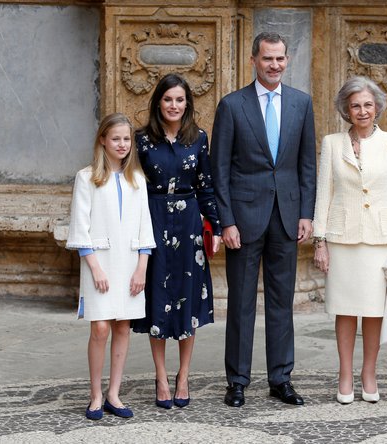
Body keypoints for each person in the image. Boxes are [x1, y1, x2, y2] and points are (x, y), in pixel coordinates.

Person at [210, 32, 316, 407]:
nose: (274, 65)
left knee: (281, 301)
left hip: (287, 216)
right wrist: (226, 221)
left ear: (287, 61)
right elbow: (218, 170)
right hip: (243, 217)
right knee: (240, 301)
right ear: (254, 59)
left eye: (280, 59)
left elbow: (307, 164)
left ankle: (280, 379)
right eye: (268, 59)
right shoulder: (232, 105)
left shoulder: (302, 104)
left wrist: (306, 213)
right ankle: (237, 381)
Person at [312, 76, 387, 404]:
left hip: (381, 239)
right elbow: (324, 193)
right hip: (343, 238)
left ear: (378, 107)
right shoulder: (332, 143)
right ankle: (344, 375)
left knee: (374, 311)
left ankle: (369, 373)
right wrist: (320, 241)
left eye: (368, 104)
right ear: (346, 109)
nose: (362, 110)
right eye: (356, 105)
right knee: (344, 309)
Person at [131, 73, 222, 409]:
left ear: (188, 104)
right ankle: (160, 376)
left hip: (188, 225)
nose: (174, 105)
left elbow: (205, 184)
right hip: (152, 220)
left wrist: (217, 223)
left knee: (187, 300)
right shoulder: (141, 140)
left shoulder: (197, 138)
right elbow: (131, 184)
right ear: (158, 102)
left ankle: (183, 375)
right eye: (168, 99)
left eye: (180, 100)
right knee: (157, 299)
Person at [66, 112, 156, 420]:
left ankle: (114, 394)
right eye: (115, 138)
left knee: (122, 326)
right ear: (102, 140)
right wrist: (96, 268)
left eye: (127, 139)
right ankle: (95, 393)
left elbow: (146, 227)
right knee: (100, 327)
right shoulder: (87, 177)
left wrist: (142, 268)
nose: (122, 144)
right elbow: (80, 227)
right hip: (99, 263)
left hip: (131, 263)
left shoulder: (138, 180)